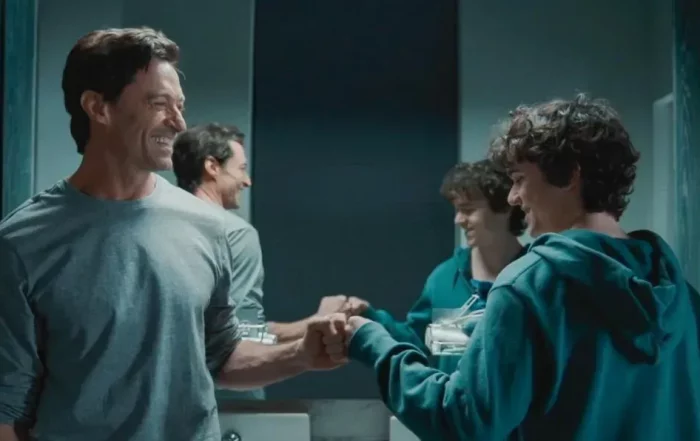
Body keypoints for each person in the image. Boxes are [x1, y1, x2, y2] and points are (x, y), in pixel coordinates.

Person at [0, 27, 346, 441]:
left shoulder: (207, 226)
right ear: (98, 107)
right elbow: (7, 409)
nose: (179, 123)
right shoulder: (23, 242)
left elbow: (220, 356)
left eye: (179, 106)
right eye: (159, 104)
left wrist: (301, 355)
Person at [344, 94, 700, 441]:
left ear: (569, 175)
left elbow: (464, 421)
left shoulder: (527, 287)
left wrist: (376, 346)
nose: (513, 197)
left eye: (519, 179)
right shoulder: (680, 294)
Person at [171, 123, 357, 399]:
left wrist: (312, 324)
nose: (247, 181)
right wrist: (304, 350)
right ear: (212, 167)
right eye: (241, 168)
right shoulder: (234, 233)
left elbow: (209, 330)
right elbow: (241, 340)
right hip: (225, 403)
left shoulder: (154, 229)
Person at [338, 160, 525, 373]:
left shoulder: (536, 277)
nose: (458, 220)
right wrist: (369, 317)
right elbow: (417, 343)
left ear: (505, 207)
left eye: (468, 209)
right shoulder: (444, 279)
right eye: (457, 210)